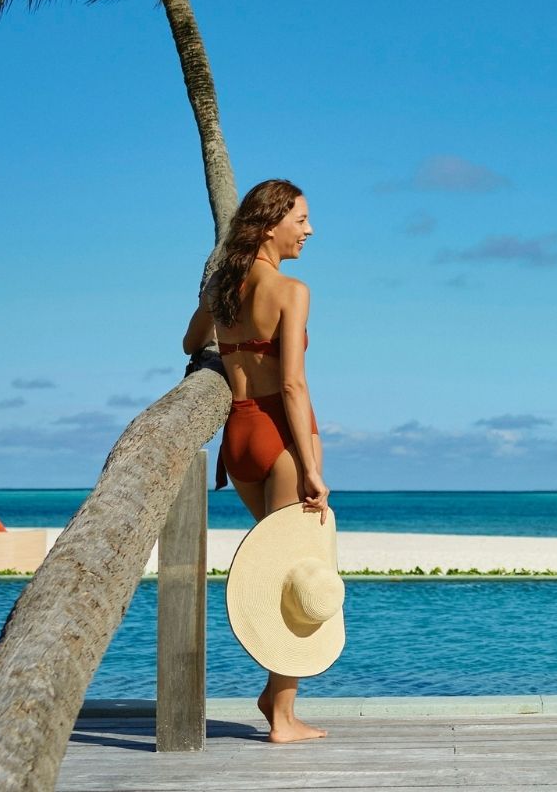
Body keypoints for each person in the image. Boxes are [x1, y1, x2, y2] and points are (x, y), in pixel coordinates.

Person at [183, 178, 331, 743]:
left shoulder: (224, 285)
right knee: (297, 572)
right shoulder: (292, 292)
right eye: (301, 219)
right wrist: (312, 467)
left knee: (281, 566)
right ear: (271, 225)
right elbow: (293, 384)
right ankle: (282, 715)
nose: (309, 229)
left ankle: (277, 697)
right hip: (283, 438)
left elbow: (191, 340)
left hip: (239, 437)